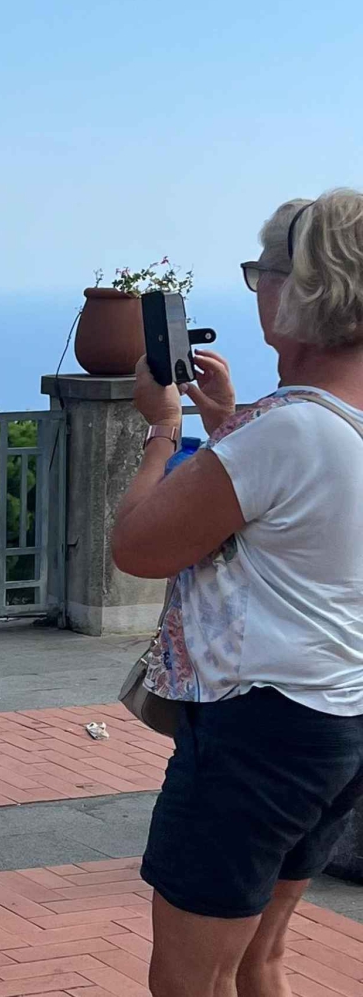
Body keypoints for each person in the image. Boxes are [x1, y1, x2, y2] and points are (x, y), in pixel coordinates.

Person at [111, 189, 363, 997]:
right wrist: (226, 425)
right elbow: (302, 524)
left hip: (257, 732)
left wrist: (163, 429)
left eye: (264, 273)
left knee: (191, 979)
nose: (259, 289)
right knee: (261, 959)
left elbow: (138, 545)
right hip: (338, 721)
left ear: (303, 287)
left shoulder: (286, 429)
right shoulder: (335, 421)